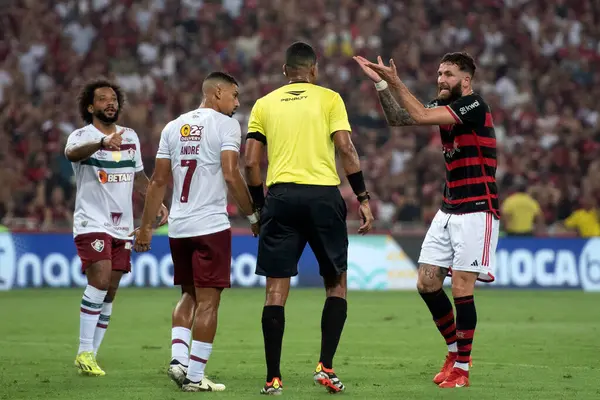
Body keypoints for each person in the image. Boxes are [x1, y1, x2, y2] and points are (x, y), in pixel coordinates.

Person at [355, 52, 499, 389]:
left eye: (448, 74)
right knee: (427, 283)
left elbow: (418, 112)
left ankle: (462, 369)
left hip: (477, 208)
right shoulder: (445, 106)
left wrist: (395, 80)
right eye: (438, 73)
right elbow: (401, 119)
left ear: (466, 79)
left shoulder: (474, 105)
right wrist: (380, 84)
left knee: (462, 287)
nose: (440, 79)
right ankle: (454, 351)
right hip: (449, 209)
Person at [245, 42, 374, 395]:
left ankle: (273, 378)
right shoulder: (330, 99)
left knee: (275, 291)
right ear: (313, 71)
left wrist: (259, 208)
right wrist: (363, 197)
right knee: (336, 285)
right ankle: (326, 367)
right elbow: (346, 148)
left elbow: (251, 162)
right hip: (322, 198)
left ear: (285, 71)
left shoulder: (264, 104)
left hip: (282, 198)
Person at [131, 72, 259, 392]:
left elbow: (159, 181)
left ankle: (178, 360)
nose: (237, 102)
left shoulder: (173, 127)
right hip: (211, 225)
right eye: (234, 95)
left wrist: (146, 228)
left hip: (180, 226)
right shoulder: (227, 125)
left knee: (188, 293)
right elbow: (231, 175)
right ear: (217, 93)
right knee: (209, 302)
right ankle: (194, 377)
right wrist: (253, 214)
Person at [65, 79, 168, 376]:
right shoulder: (82, 136)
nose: (110, 103)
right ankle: (84, 349)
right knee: (100, 279)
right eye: (102, 99)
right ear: (90, 106)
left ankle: (90, 357)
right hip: (91, 222)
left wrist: (155, 201)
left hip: (122, 226)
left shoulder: (131, 137)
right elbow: (71, 154)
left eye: (113, 99)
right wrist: (100, 143)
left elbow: (138, 177)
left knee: (110, 291)